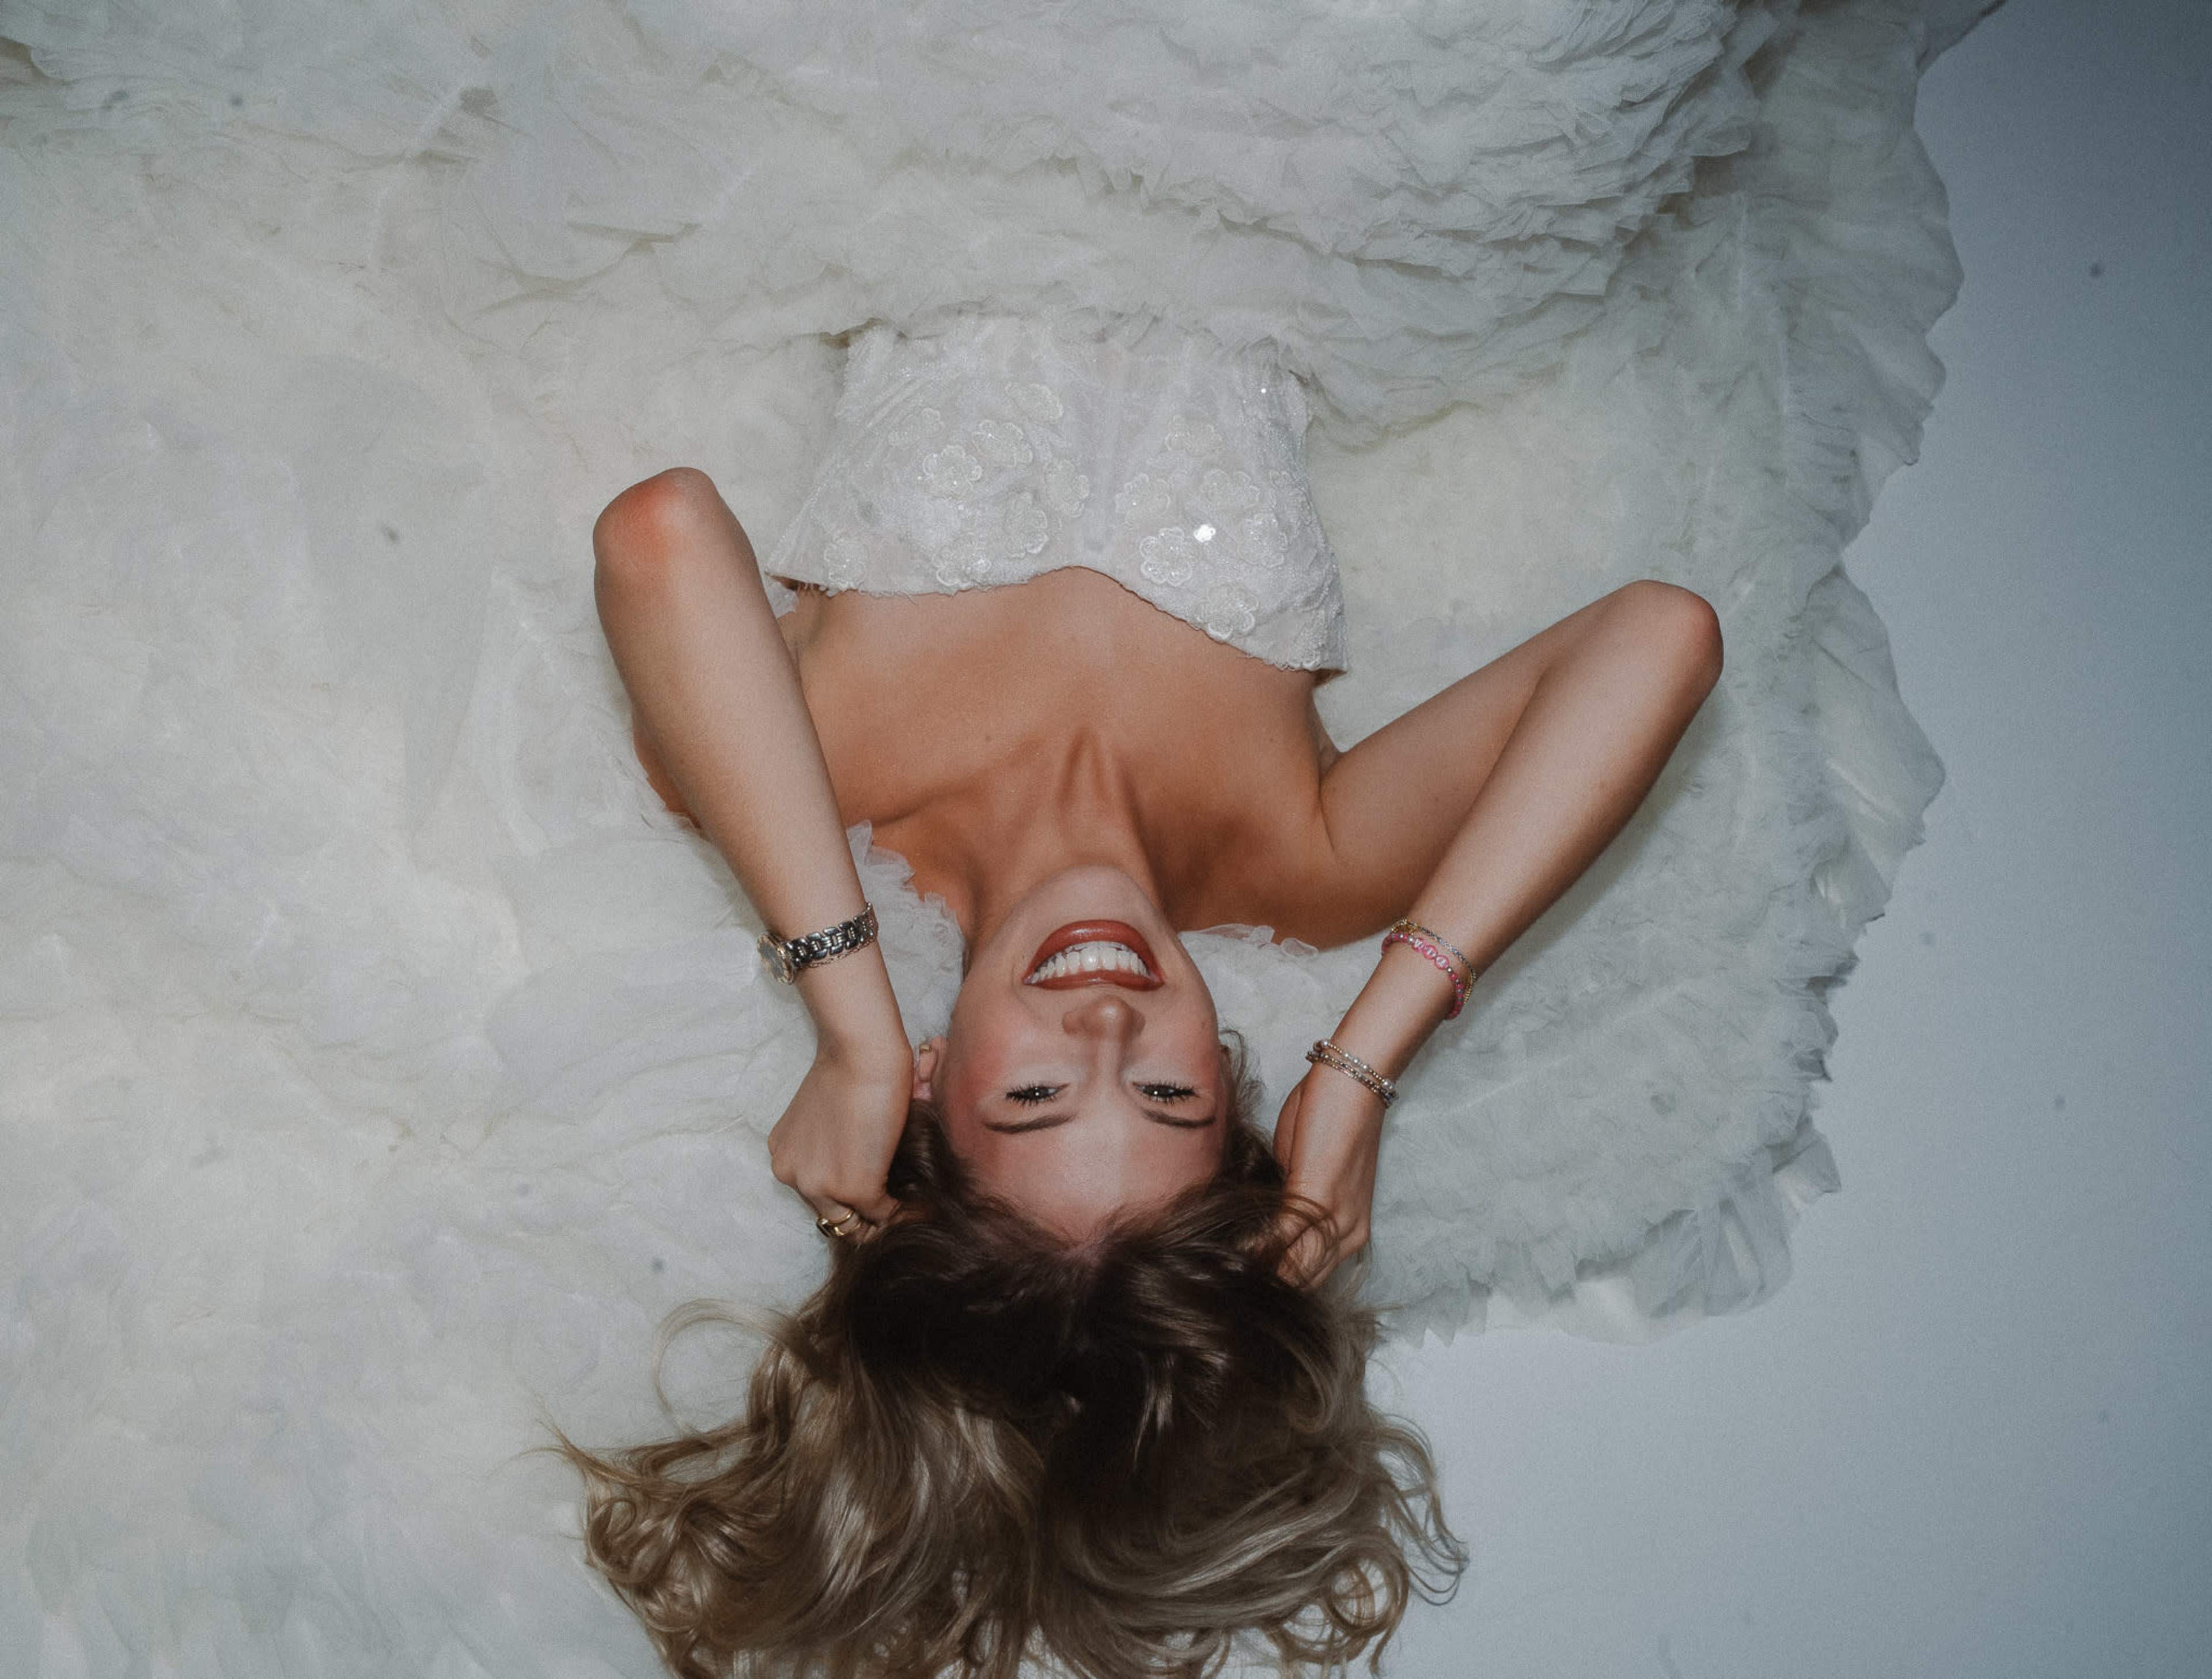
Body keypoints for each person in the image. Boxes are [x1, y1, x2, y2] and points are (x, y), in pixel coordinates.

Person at [564, 312, 1722, 1679]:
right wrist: (1361, 1073)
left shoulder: (796, 789)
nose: (1109, 1025)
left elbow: (659, 534)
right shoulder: (1306, 860)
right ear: (1235, 1084)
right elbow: (1661, 636)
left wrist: (850, 1024)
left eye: (1037, 1092)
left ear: (932, 1082)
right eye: (1168, 1091)